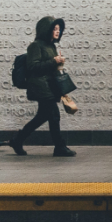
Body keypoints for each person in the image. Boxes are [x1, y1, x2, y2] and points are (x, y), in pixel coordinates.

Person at [9, 17, 76, 157]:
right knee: (53, 115)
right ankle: (59, 147)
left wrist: (58, 63)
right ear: (46, 29)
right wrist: (54, 61)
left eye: (59, 29)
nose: (57, 31)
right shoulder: (35, 46)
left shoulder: (51, 46)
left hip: (49, 86)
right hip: (40, 86)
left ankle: (18, 140)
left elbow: (49, 66)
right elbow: (33, 67)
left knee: (43, 116)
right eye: (54, 29)